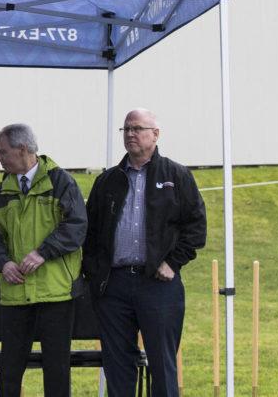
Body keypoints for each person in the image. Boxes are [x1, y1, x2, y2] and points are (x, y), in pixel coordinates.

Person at [82, 109, 206, 397]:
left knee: (162, 365)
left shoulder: (176, 176)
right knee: (118, 366)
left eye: (137, 128)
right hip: (114, 286)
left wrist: (173, 262)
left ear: (156, 134)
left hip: (158, 285)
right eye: (126, 129)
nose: (131, 134)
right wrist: (95, 271)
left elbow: (196, 226)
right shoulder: (108, 180)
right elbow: (89, 232)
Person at [0, 124, 86, 397]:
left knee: (57, 372)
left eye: (2, 152)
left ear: (22, 149)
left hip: (57, 294)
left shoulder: (62, 183)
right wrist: (3, 263)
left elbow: (76, 226)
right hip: (15, 296)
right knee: (9, 373)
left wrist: (43, 252)